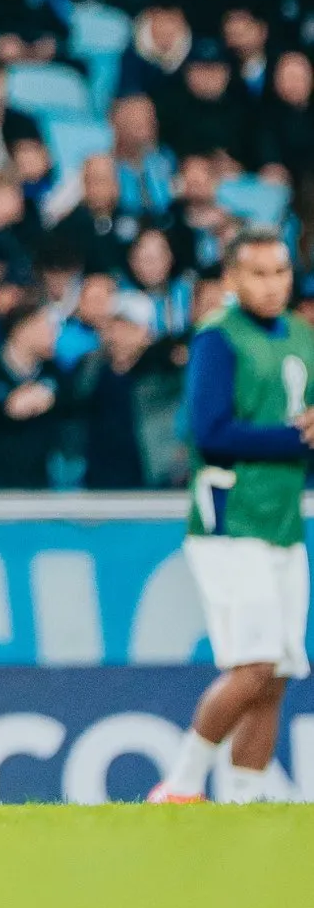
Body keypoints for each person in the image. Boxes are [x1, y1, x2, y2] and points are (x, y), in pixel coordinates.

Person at [150, 227, 314, 804]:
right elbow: (210, 432)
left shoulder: (300, 336)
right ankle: (183, 784)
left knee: (275, 678)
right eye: (259, 274)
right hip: (228, 524)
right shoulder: (219, 338)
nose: (272, 285)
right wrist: (298, 440)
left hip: (282, 525)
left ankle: (244, 801)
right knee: (254, 664)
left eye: (281, 273)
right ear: (232, 280)